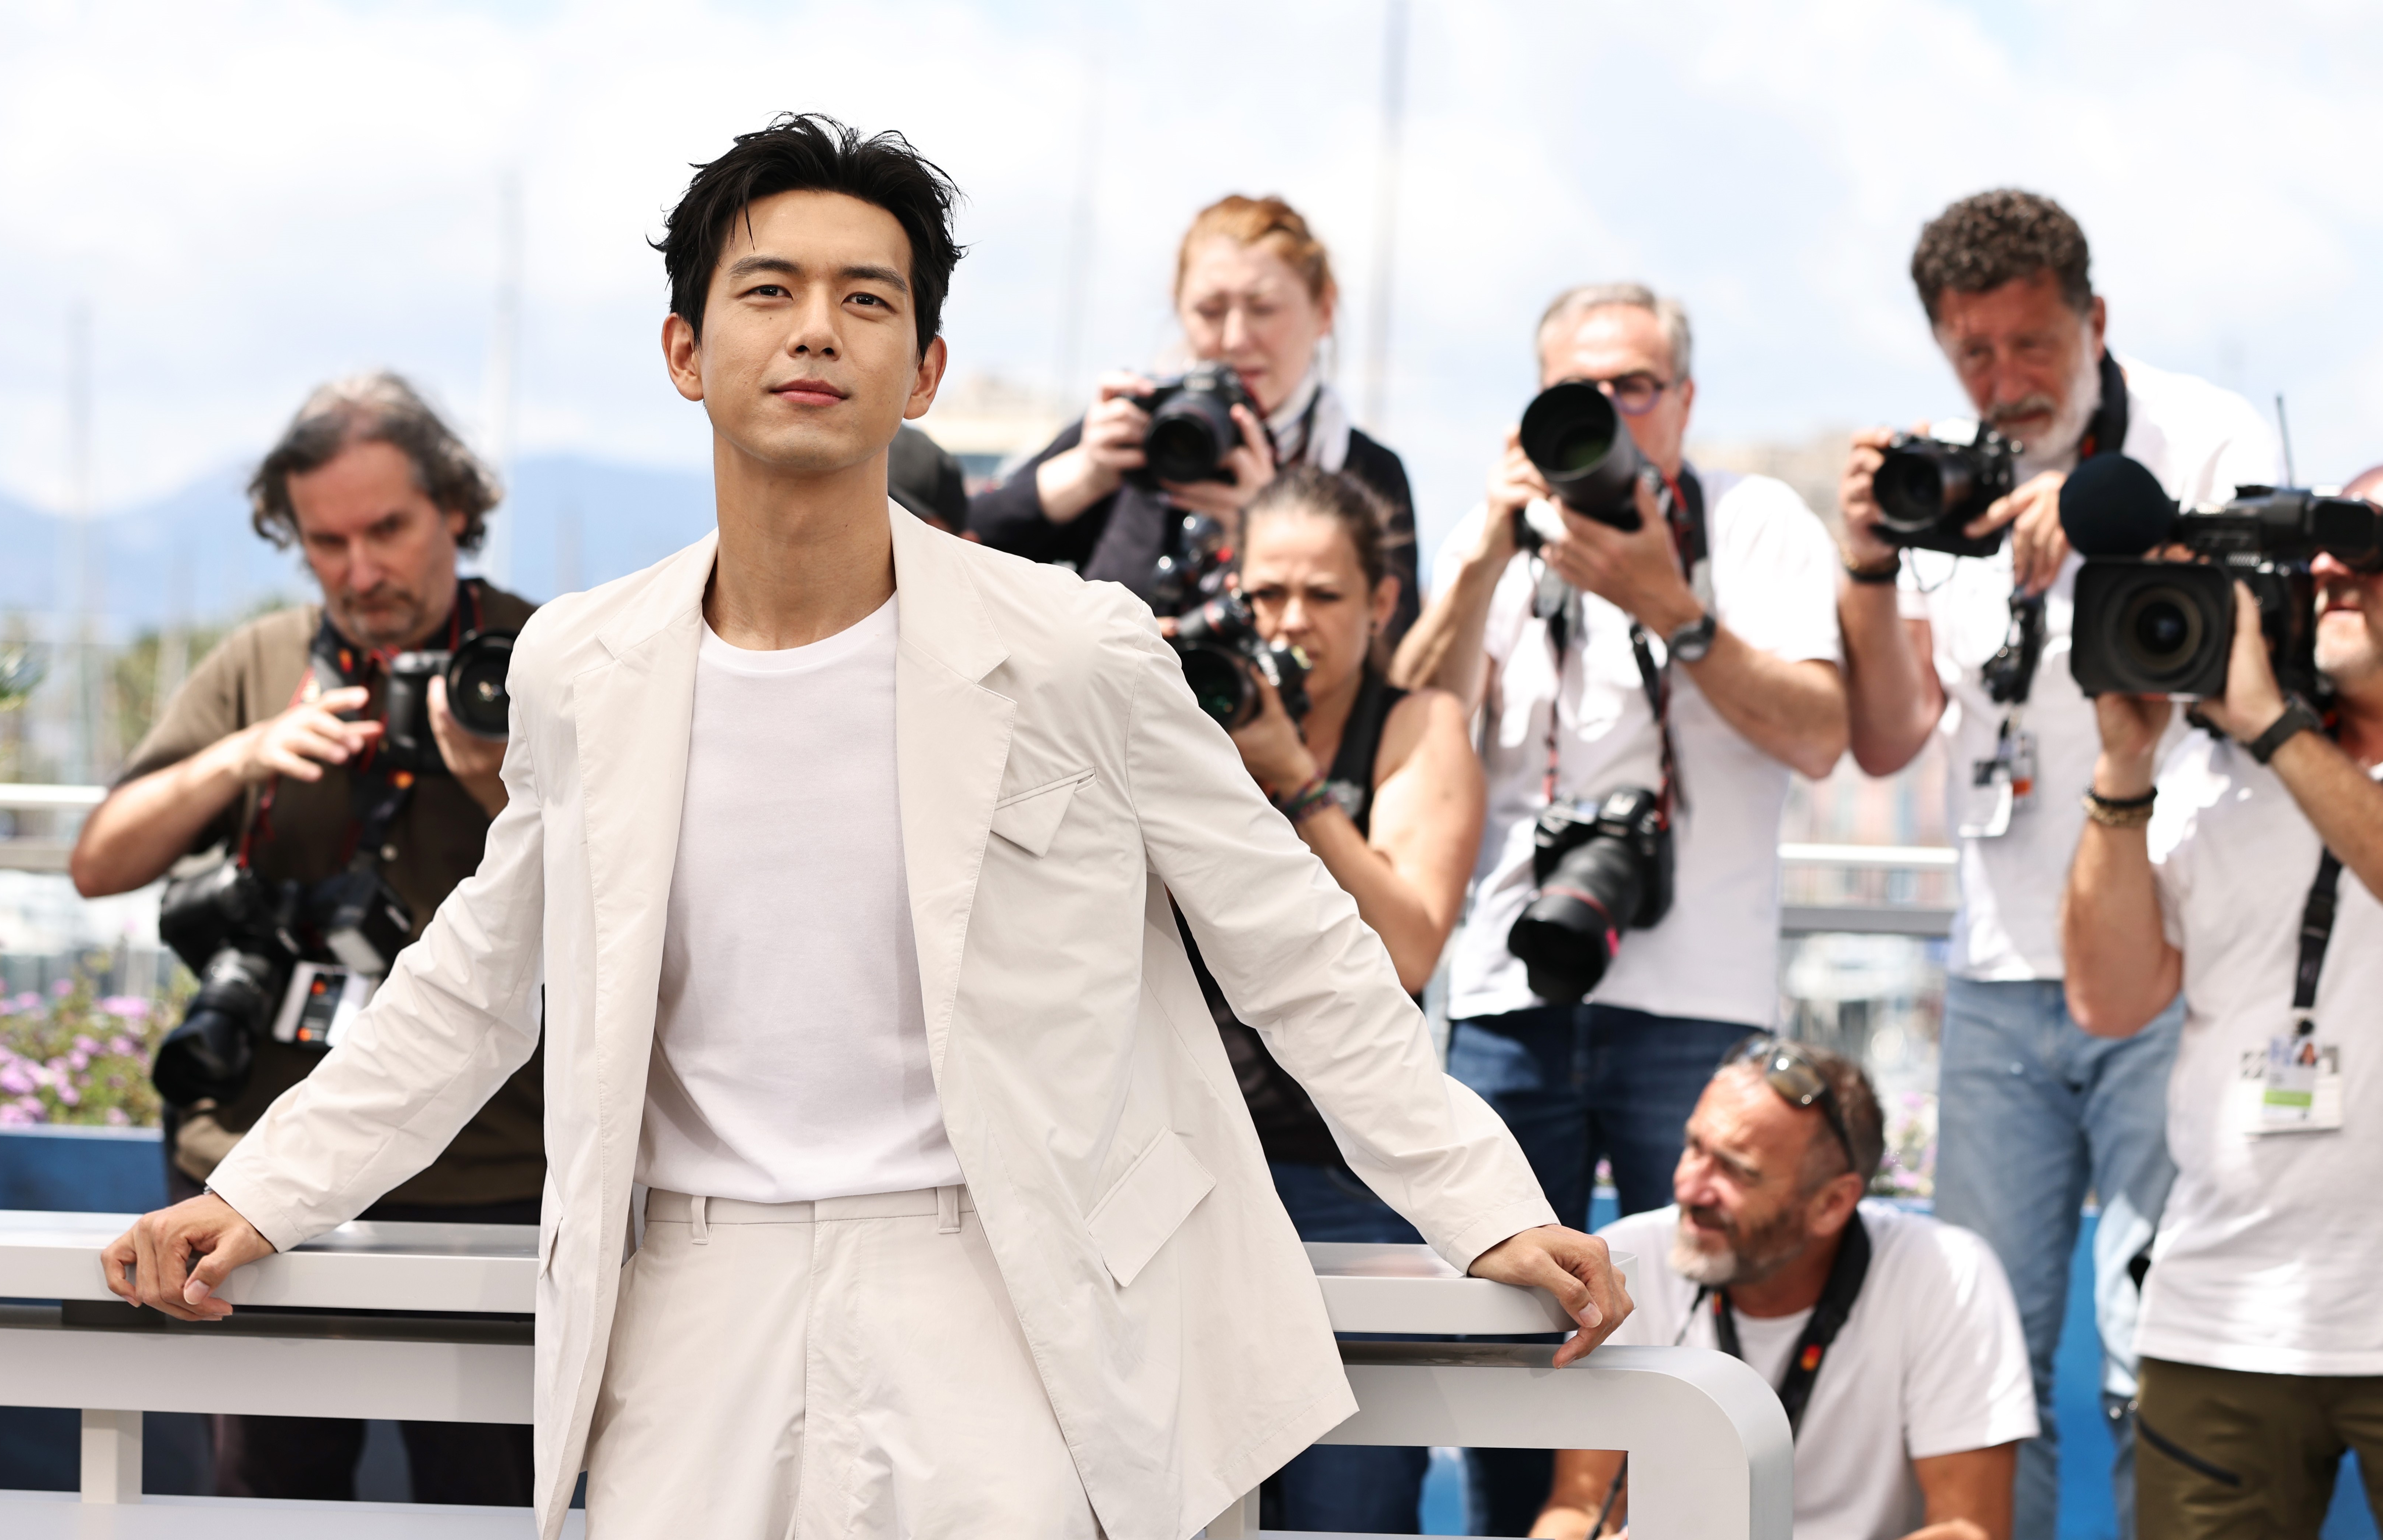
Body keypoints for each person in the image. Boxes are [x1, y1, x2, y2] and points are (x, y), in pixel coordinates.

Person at [96, 113, 1631, 1540]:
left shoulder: (1075, 646)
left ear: (928, 367)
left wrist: (1486, 1206)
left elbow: (1295, 947)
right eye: (769, 290)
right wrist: (260, 1190)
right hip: (690, 1299)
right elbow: (473, 983)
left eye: (867, 299)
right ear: (688, 352)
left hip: (1015, 1294)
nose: (817, 327)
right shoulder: (587, 662)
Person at [1832, 189, 2278, 1540]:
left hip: (2175, 963)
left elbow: (2262, 663)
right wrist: (1865, 569)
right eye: (1972, 354)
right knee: (1984, 1360)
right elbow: (1889, 733)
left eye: (2032, 346)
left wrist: (2110, 527)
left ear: (2095, 321)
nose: (2004, 383)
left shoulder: (2203, 435)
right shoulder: (1945, 480)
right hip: (1996, 975)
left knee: (2158, 1340)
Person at [1394, 282, 1846, 1533]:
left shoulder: (1748, 525)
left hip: (1693, 1012)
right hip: (1506, 998)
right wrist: (1485, 553)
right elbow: (1409, 721)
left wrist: (1669, 603)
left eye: (1634, 388)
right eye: (1576, 393)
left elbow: (1820, 736)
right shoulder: (1500, 538)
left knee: (1699, 1340)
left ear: (1683, 404)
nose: (1607, 412)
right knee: (1504, 1348)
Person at [66, 373, 542, 1505]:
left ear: (457, 512)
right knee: (262, 1500)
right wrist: (245, 753)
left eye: (388, 529)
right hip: (247, 1169)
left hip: (486, 1174)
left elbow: (634, 907)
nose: (360, 570)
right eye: (325, 541)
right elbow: (100, 862)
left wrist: (497, 783)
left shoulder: (539, 656)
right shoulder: (262, 662)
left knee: (492, 1503)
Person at [2062, 466, 2383, 1537]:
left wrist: (2269, 723)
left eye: (2366, 546)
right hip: (2220, 1315)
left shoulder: (2258, 731)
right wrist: (2120, 767)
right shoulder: (2208, 769)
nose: (2334, 572)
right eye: (2321, 555)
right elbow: (2106, 997)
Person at [1201, 466, 1486, 1533]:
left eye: (1322, 597)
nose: (1290, 623)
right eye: (1267, 596)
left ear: (1379, 603)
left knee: (1348, 1510)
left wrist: (1294, 782)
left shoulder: (1419, 728)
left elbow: (1407, 946)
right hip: (1199, 1171)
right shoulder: (1190, 715)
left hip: (1348, 1176)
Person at [1531, 1040, 2035, 1540]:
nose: (1689, 1187)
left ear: (1832, 1204)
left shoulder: (1945, 1272)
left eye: (1735, 1170)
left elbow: (1968, 1529)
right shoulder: (1626, 1260)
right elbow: (1580, 1507)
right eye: (1694, 1147)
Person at [965, 194, 1420, 642]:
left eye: (1263, 309)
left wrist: (1265, 535)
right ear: (1178, 307)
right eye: (1210, 311)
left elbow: (1389, 658)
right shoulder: (1136, 437)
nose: (1236, 338)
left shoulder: (1363, 472)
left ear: (1323, 311)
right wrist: (1085, 473)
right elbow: (949, 557)